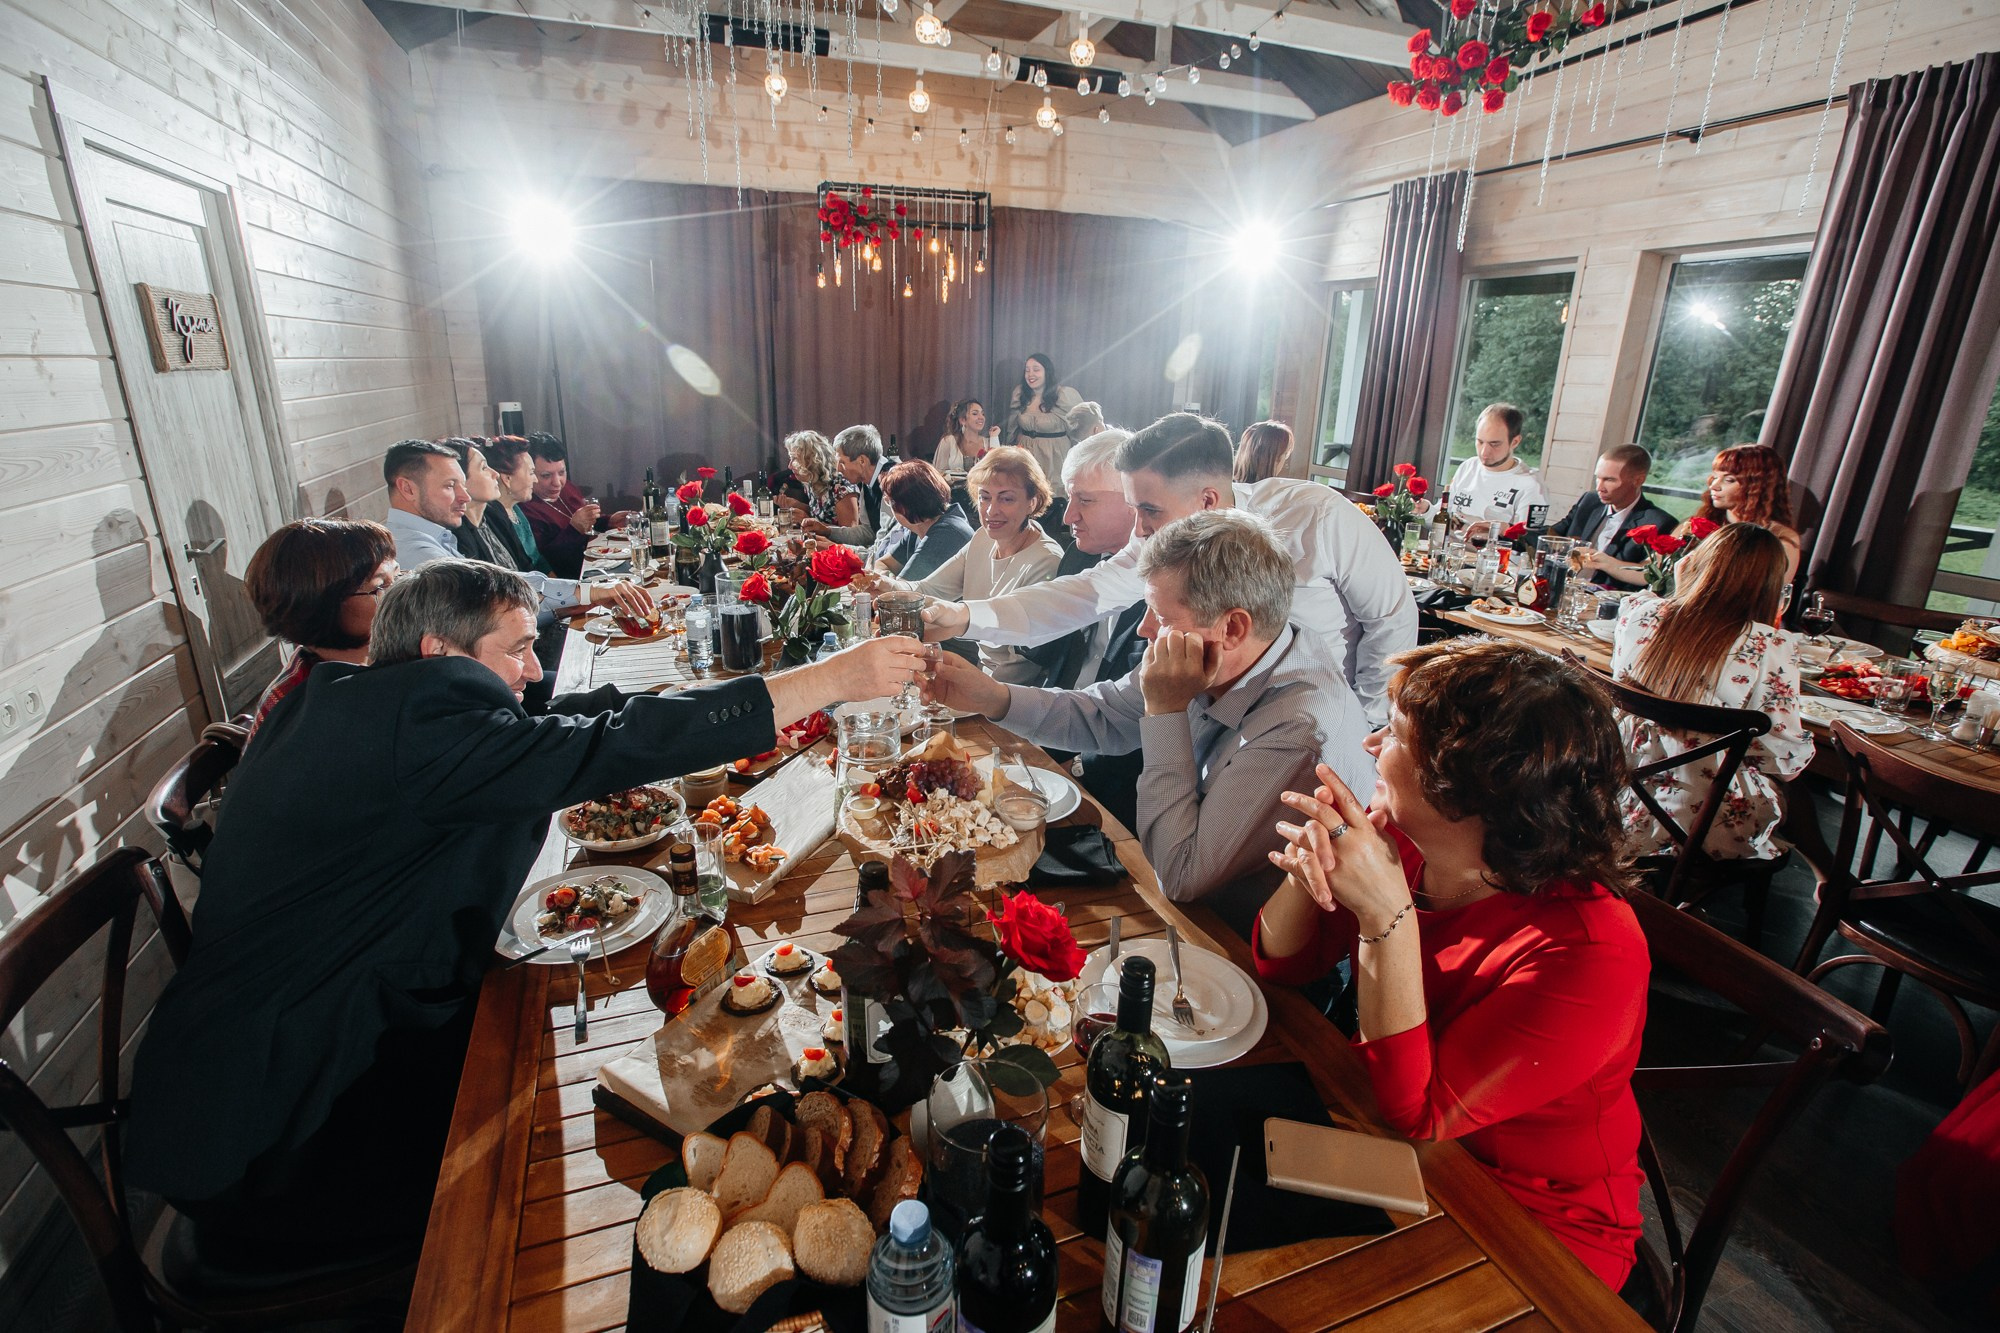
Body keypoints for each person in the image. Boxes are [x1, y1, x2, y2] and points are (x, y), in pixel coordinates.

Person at [123, 560, 930, 1273]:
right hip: (282, 1134)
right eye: (516, 647)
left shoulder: (361, 702)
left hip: (264, 1068)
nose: (535, 665)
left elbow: (572, 718)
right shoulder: (422, 732)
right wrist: (830, 677)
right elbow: (605, 745)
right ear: (441, 654)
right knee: (566, 1179)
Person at [1252, 639, 1648, 1290]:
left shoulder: (1591, 952)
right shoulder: (1412, 838)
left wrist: (1386, 920)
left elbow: (1422, 1111)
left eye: (1397, 734)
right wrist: (1316, 860)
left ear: (1464, 791)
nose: (1373, 744)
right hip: (1391, 1151)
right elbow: (1282, 963)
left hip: (1531, 1226)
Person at [924, 511, 1374, 934]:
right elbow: (1103, 714)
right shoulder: (1228, 652)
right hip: (1189, 911)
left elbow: (1180, 874)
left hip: (1243, 955)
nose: (1143, 630)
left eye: (1159, 616)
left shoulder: (1298, 732)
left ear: (1233, 628)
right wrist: (991, 696)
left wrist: (1166, 711)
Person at [922, 413, 1418, 725]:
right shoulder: (1165, 536)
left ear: (1205, 500)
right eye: (1133, 508)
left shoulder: (1318, 516)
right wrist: (963, 617)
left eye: (1149, 510)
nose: (1138, 529)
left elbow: (1393, 621)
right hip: (1209, 723)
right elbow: (1085, 593)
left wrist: (1366, 719)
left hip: (1315, 725)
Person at [1610, 523, 1811, 861]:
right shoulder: (1770, 646)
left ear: (1695, 563)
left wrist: (1681, 580)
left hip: (1613, 798)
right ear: (1772, 588)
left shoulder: (1641, 614)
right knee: (1792, 792)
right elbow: (1786, 760)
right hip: (1703, 823)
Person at [1021, 430, 1149, 831]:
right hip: (1059, 728)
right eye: (1069, 498)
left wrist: (1074, 765)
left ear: (1134, 501)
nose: (1067, 516)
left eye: (1085, 501)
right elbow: (1058, 660)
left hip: (1115, 770)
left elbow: (1143, 720)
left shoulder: (1166, 581)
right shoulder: (1080, 554)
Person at [380, 439, 651, 622]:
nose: (463, 496)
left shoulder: (439, 535)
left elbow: (513, 581)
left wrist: (588, 596)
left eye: (462, 485)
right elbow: (497, 596)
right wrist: (588, 595)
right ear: (407, 488)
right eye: (450, 486)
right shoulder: (415, 549)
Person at [859, 447, 1063, 685]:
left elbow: (1025, 663)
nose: (991, 510)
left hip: (1015, 691)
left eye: (1006, 498)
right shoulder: (983, 539)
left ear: (1033, 502)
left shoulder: (1046, 560)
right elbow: (929, 589)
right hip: (980, 674)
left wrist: (973, 695)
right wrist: (885, 585)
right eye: (985, 496)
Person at [241, 519, 396, 737]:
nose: (399, 593)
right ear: (323, 605)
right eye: (381, 586)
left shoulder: (369, 661)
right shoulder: (307, 711)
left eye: (397, 576)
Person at [1552, 445, 1680, 585]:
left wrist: (1608, 563)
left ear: (1638, 480)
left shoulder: (1659, 523)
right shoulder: (1590, 501)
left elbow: (1652, 574)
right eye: (1598, 478)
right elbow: (1557, 532)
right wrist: (1527, 532)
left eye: (1609, 480)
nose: (1599, 487)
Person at [1445, 403, 1548, 538]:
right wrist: (1426, 510)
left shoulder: (1531, 485)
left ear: (1515, 442)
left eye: (1494, 444)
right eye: (1480, 442)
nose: (1484, 452)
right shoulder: (1468, 466)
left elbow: (1527, 543)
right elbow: (1442, 515)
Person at [872, 460, 974, 581]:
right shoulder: (918, 526)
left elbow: (904, 591)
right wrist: (889, 577)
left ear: (904, 507)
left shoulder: (947, 534)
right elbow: (882, 564)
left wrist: (888, 580)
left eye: (888, 501)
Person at [999, 353, 1083, 499]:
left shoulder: (1064, 395)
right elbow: (1012, 425)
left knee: (1053, 499)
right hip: (1027, 454)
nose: (1030, 374)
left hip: (1054, 456)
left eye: (1036, 369)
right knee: (1026, 495)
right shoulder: (1020, 394)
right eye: (1027, 370)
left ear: (1047, 372)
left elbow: (1081, 425)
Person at [519, 433, 601, 579]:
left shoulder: (566, 487)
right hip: (569, 580)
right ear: (530, 472)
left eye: (561, 472)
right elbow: (544, 561)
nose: (557, 482)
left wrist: (610, 520)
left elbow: (587, 523)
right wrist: (573, 529)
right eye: (546, 475)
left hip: (595, 565)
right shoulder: (525, 507)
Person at [440, 438, 518, 569]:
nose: (496, 474)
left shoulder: (495, 511)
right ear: (461, 478)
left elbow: (524, 564)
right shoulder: (455, 533)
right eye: (484, 468)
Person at [480, 434, 549, 572]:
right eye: (531, 473)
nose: (535, 480)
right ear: (507, 478)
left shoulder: (515, 508)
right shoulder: (493, 520)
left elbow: (537, 559)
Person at [824, 424, 898, 550]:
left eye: (842, 462)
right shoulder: (867, 482)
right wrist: (827, 532)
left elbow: (885, 549)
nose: (838, 469)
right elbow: (869, 532)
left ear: (862, 461)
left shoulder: (893, 483)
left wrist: (833, 548)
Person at [778, 430, 864, 535]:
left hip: (837, 549)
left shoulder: (841, 486)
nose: (790, 466)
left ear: (812, 460)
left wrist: (806, 519)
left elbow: (851, 534)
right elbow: (823, 515)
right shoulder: (811, 480)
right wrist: (797, 505)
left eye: (795, 459)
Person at [933, 398, 997, 474]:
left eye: (983, 414)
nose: (981, 417)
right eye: (975, 414)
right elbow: (938, 473)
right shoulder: (949, 441)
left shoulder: (988, 443)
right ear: (963, 420)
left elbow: (998, 468)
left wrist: (994, 437)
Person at [1232, 420, 1295, 484]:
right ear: (1275, 458)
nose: (1285, 463)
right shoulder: (1281, 491)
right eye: (1285, 453)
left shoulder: (1226, 487)